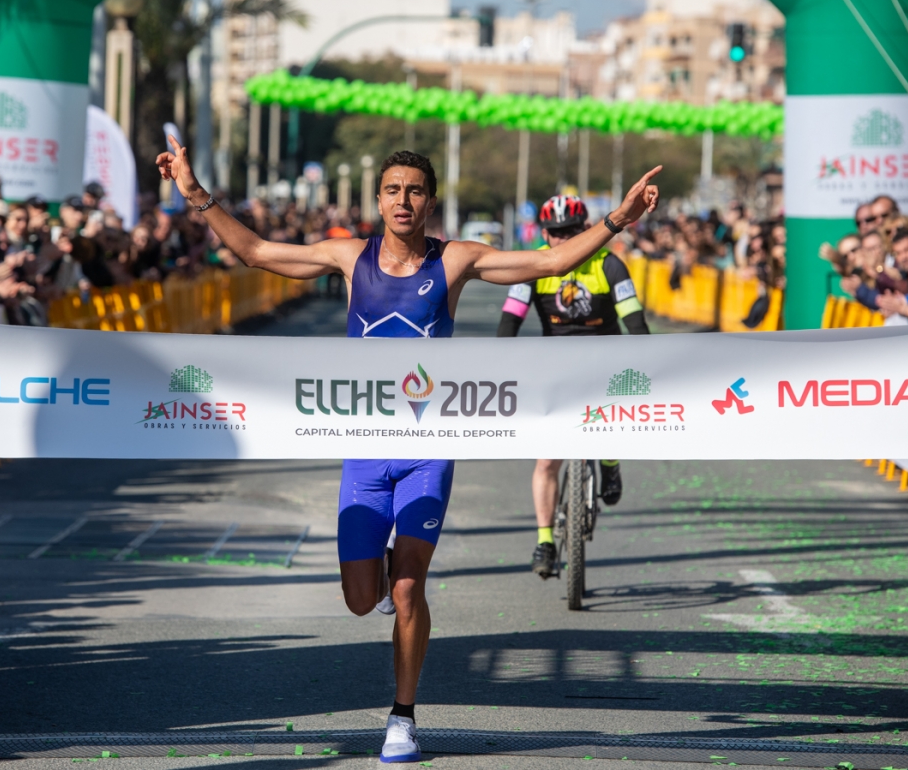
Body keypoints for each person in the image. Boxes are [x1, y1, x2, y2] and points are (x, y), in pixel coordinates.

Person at [156, 139, 661, 763]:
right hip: (365, 452)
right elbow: (257, 252)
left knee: (406, 591)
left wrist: (619, 219)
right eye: (393, 190)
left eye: (415, 191)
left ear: (430, 202)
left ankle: (403, 718)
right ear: (379, 200)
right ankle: (387, 566)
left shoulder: (456, 260)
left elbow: (549, 262)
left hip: (429, 448)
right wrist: (195, 194)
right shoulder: (350, 257)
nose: (403, 200)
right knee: (360, 598)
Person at [494, 195, 648, 578]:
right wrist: (500, 363)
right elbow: (510, 320)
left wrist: (649, 358)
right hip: (556, 366)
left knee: (609, 416)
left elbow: (634, 320)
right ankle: (545, 540)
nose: (563, 240)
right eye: (556, 233)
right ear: (545, 235)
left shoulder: (609, 264)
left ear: (586, 229)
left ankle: (610, 462)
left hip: (604, 364)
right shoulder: (533, 265)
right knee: (547, 460)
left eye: (571, 232)